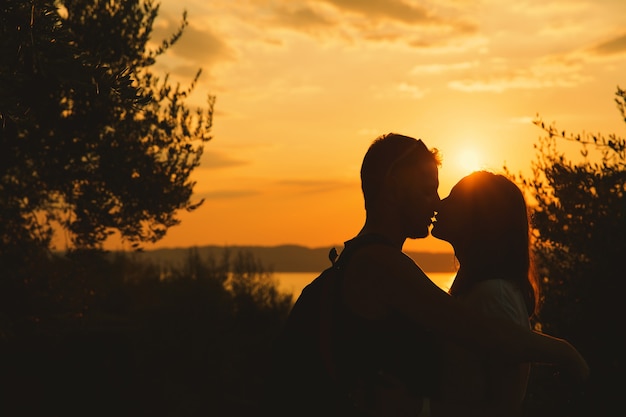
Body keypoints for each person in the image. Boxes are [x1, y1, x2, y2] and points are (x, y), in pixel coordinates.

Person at [264, 133, 588, 417]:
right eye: (426, 190)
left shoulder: (363, 260)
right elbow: (482, 332)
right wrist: (565, 353)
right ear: (393, 187)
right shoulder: (379, 265)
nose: (436, 203)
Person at [431, 171, 540, 415]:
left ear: (480, 217)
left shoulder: (493, 296)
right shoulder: (480, 290)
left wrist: (418, 408)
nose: (439, 203)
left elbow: (503, 406)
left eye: (454, 198)